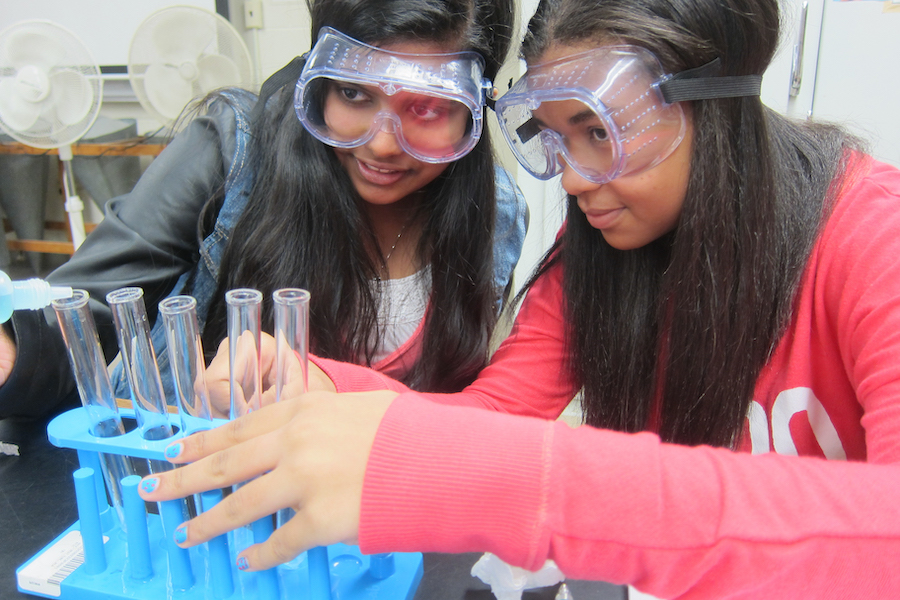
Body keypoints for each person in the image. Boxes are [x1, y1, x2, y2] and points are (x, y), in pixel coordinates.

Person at [138, 0, 900, 597]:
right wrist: (324, 389)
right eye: (557, 138)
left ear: (716, 104)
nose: (571, 178)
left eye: (599, 133)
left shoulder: (874, 239)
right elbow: (496, 416)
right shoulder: (600, 259)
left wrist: (536, 487)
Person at [0, 0, 527, 419]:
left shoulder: (495, 214)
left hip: (363, 517)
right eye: (352, 93)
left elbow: (458, 412)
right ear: (317, 75)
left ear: (476, 104)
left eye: (429, 107)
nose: (383, 145)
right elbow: (81, 318)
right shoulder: (234, 151)